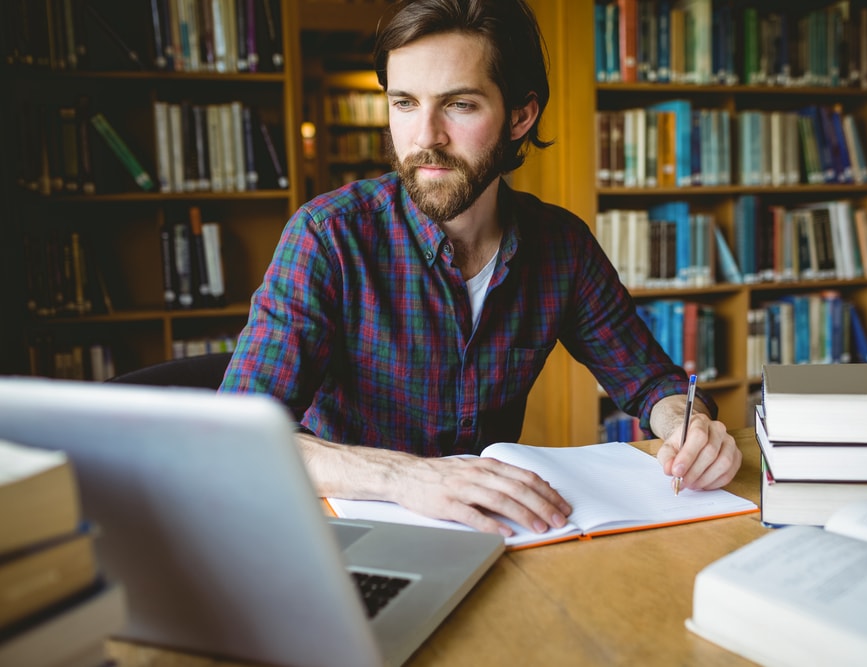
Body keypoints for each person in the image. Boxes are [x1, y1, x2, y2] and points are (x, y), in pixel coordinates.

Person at [220, 0, 741, 538]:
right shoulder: (327, 237)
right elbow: (236, 440)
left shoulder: (561, 246)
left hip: (497, 540)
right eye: (404, 103)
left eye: (459, 105)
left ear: (520, 115)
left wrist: (690, 426)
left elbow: (654, 381)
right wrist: (409, 477)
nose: (425, 137)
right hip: (351, 535)